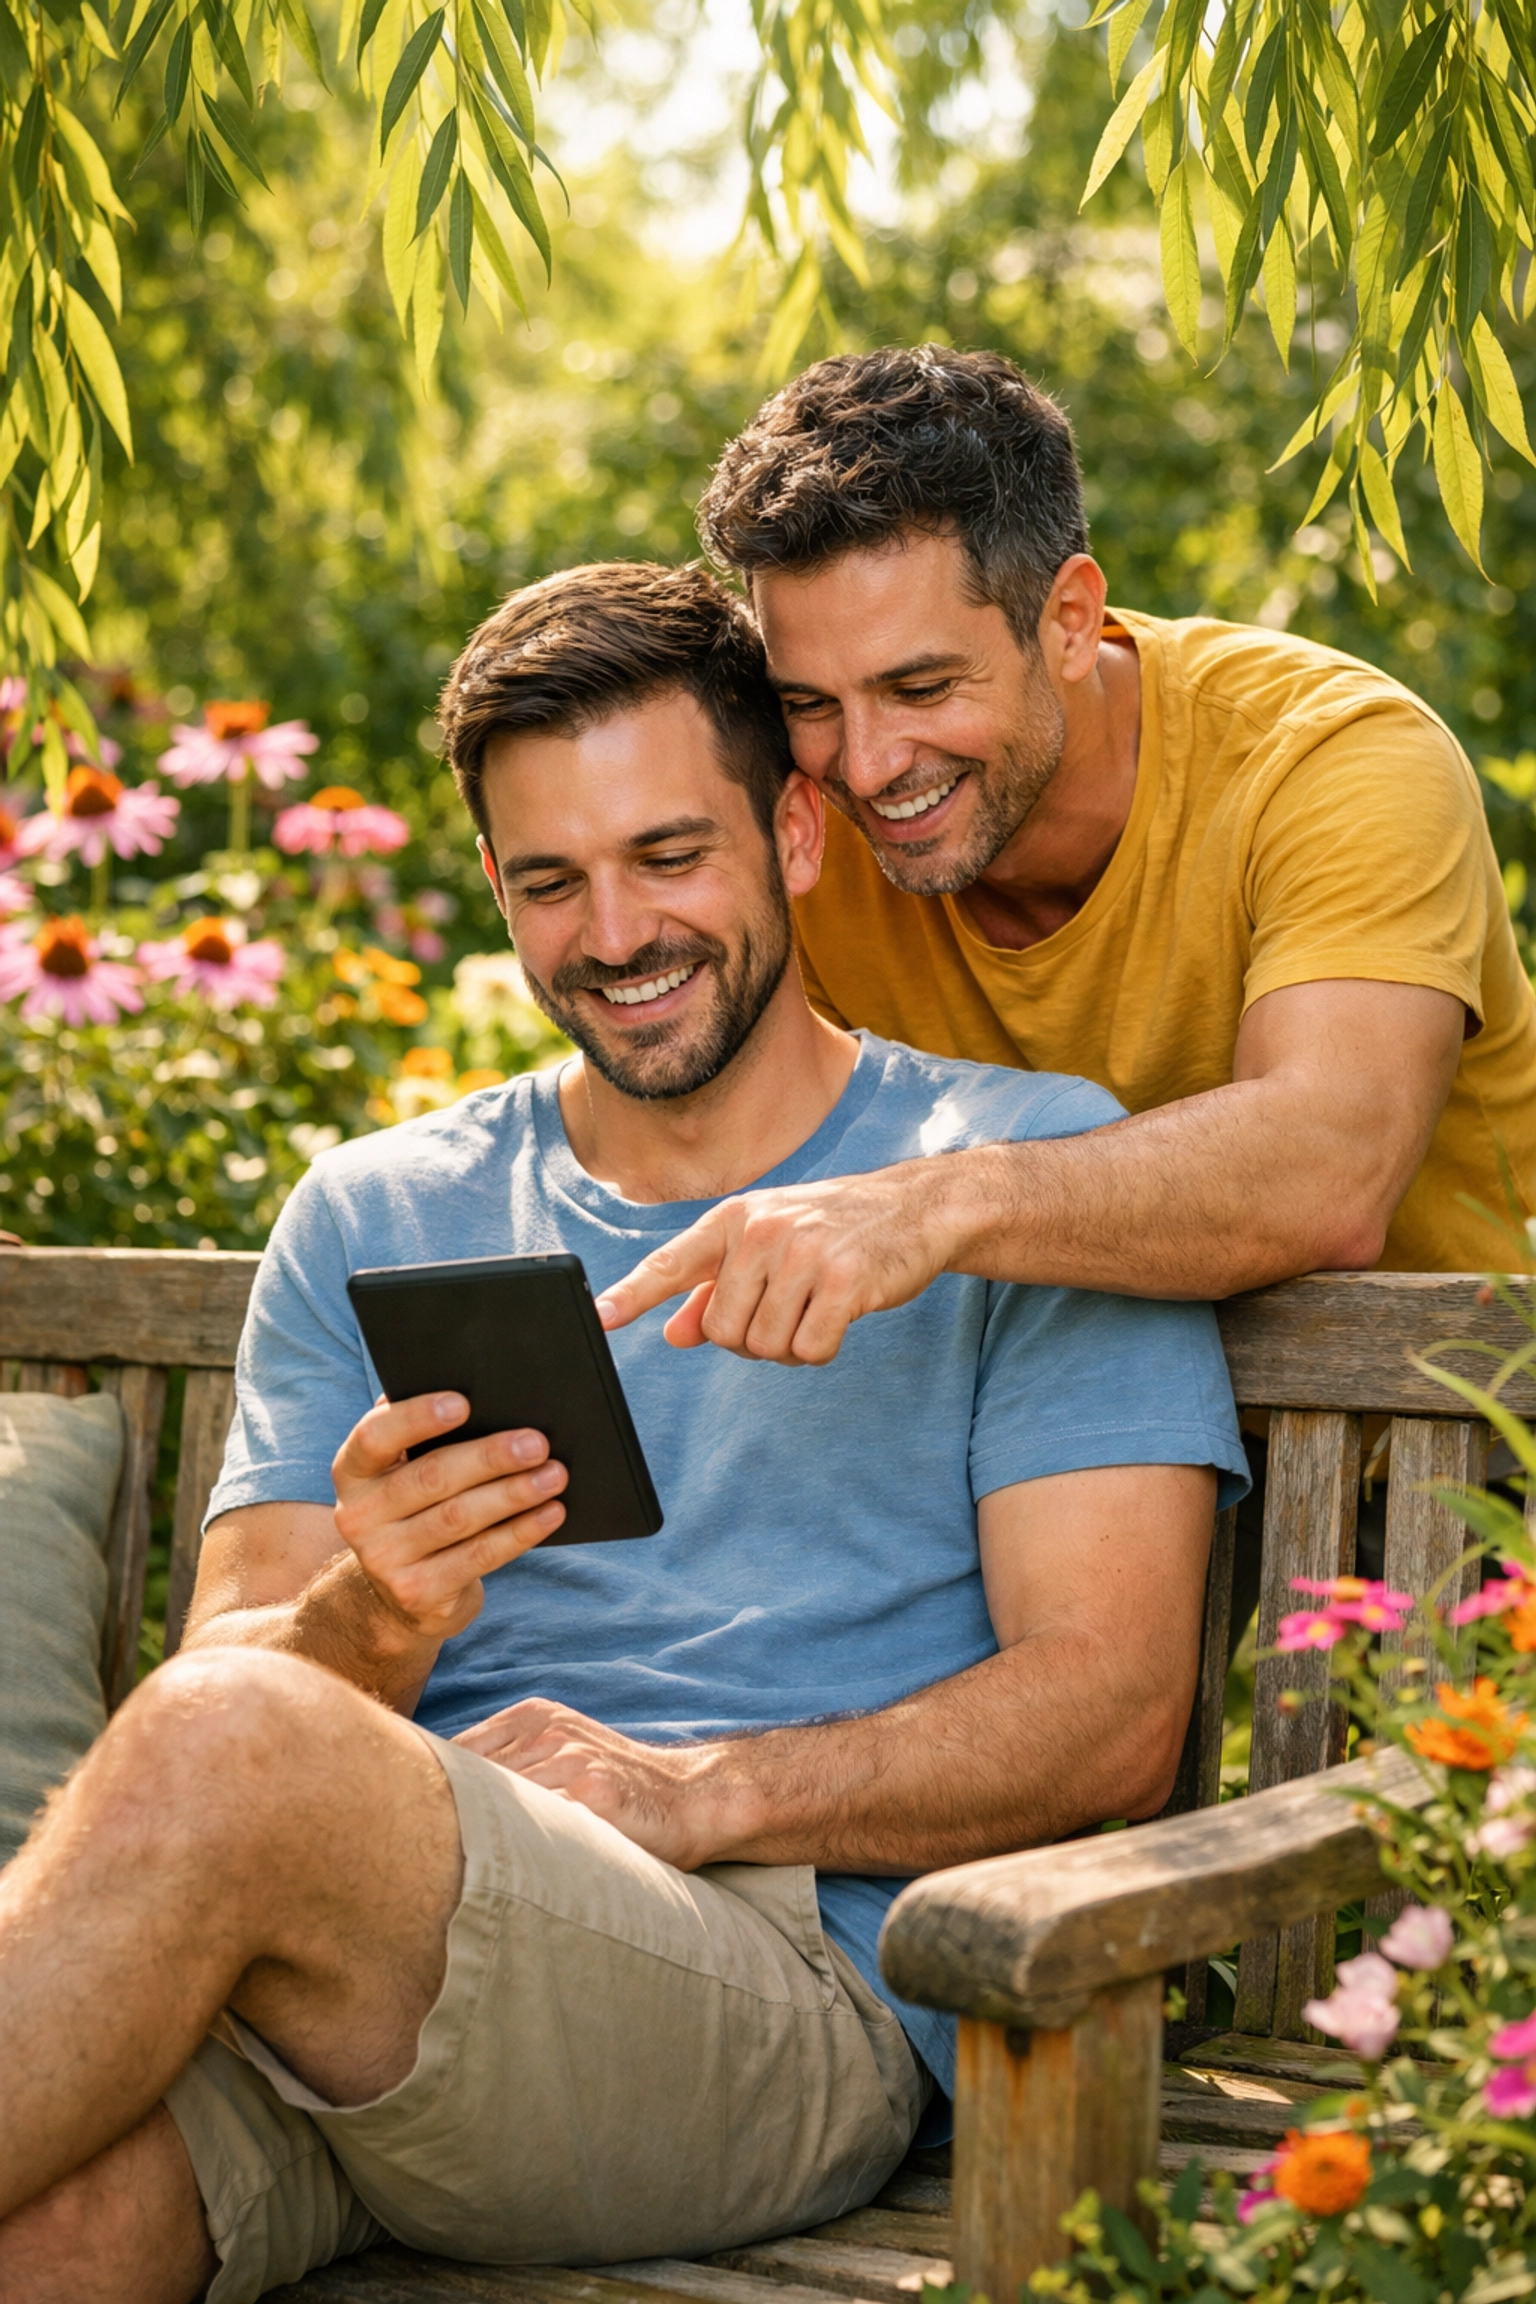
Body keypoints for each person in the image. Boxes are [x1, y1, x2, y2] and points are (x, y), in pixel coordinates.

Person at [0, 563, 1247, 2304]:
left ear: (796, 837)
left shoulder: (1004, 1175)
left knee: (228, 1731)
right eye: (551, 881)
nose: (615, 934)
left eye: (670, 856)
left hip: (780, 1980)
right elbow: (254, 1680)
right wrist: (377, 1610)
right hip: (368, 1963)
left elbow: (1113, 1716)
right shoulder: (376, 1207)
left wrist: (702, 1789)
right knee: (50, 2228)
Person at [595, 344, 1536, 1372]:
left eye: (921, 689)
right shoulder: (803, 816)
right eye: (809, 703)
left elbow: (1330, 1172)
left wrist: (934, 1206)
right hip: (1031, 1467)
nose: (863, 768)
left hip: (1434, 1475)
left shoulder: (1332, 758)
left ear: (1071, 621)